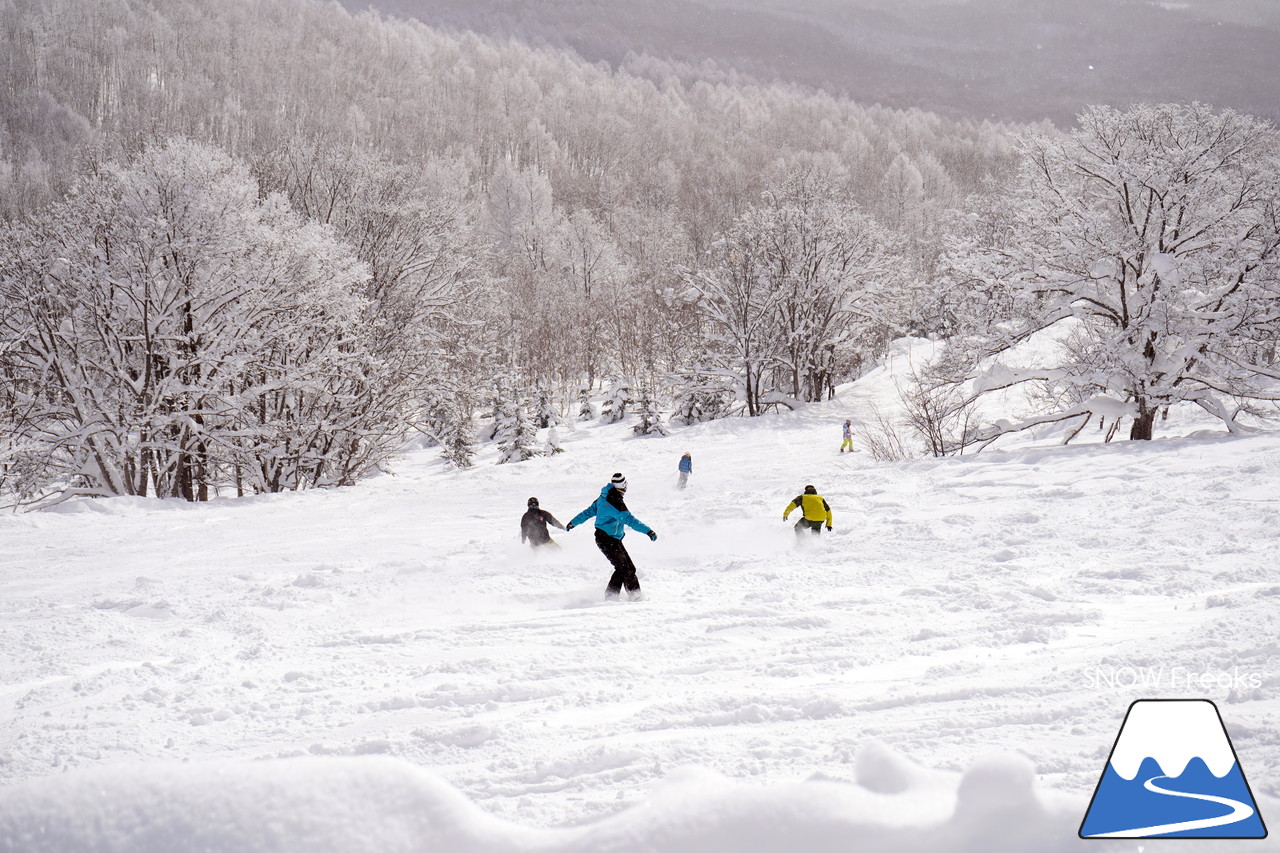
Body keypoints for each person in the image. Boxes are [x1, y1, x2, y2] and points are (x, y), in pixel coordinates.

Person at [566, 472, 657, 600]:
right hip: (606, 539)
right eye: (625, 485)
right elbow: (630, 520)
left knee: (629, 567)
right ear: (622, 486)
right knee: (622, 568)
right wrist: (649, 531)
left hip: (611, 539)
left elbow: (588, 512)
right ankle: (611, 596)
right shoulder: (614, 501)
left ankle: (635, 594)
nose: (626, 488)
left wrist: (573, 523)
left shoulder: (604, 497)